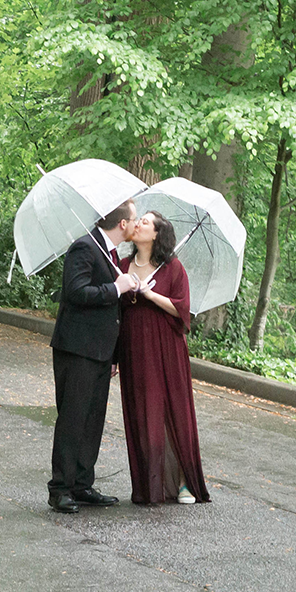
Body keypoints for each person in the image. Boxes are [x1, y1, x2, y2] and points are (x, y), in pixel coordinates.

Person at [47, 201, 140, 513]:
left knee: (93, 420)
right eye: (134, 218)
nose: (137, 224)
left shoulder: (111, 253)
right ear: (123, 224)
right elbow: (75, 292)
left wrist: (113, 355)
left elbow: (109, 311)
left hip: (100, 351)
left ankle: (82, 484)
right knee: (73, 418)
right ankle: (60, 489)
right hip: (77, 348)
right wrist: (115, 288)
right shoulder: (84, 247)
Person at [116, 211, 209, 505]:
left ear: (156, 234)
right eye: (138, 220)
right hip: (134, 348)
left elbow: (183, 310)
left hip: (166, 349)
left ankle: (184, 483)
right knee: (141, 412)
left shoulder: (173, 268)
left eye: (145, 222)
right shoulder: (122, 265)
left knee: (171, 411)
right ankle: (149, 484)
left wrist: (151, 294)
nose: (138, 223)